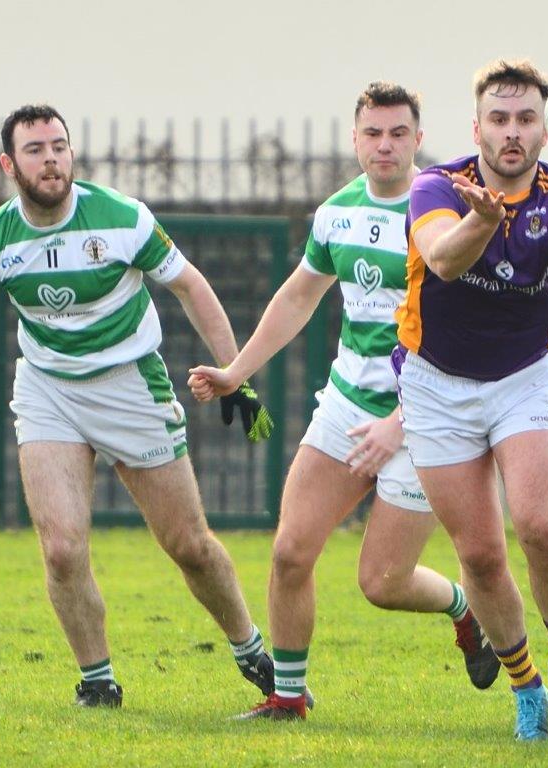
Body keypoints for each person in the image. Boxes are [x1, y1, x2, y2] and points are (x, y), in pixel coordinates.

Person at [0, 104, 276, 708]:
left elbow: (190, 285)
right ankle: (97, 681)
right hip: (49, 390)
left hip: (131, 384)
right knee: (61, 548)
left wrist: (236, 375)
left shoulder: (123, 217)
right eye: (34, 149)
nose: (50, 158)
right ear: (9, 164)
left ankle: (249, 646)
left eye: (59, 146)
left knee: (188, 544)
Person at [187, 82, 500, 721]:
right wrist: (234, 371)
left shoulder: (443, 211)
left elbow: (470, 338)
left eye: (397, 133)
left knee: (381, 584)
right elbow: (300, 296)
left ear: (418, 138)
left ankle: (464, 611)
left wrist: (401, 422)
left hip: (430, 413)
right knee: (289, 551)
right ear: (354, 139)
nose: (384, 145)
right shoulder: (336, 213)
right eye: (372, 134)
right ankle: (287, 698)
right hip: (348, 404)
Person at [392, 59, 548, 742]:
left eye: (524, 120)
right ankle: (526, 687)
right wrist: (483, 221)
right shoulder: (438, 185)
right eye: (499, 119)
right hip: (435, 385)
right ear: (477, 128)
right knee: (482, 556)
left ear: (546, 129)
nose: (511, 133)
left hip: (524, 378)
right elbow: (444, 259)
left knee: (541, 528)